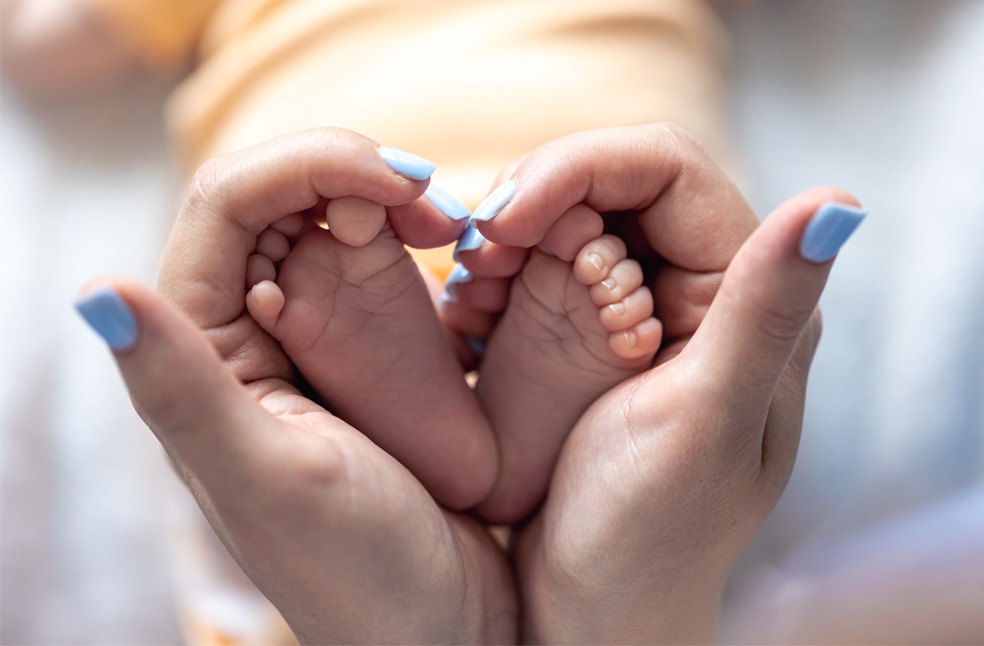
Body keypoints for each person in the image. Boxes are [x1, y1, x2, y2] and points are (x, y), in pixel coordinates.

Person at [77, 122, 863, 642]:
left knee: (323, 253)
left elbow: (55, 38)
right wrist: (629, 617)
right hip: (609, 218)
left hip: (320, 212)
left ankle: (413, 422)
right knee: (593, 259)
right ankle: (515, 430)